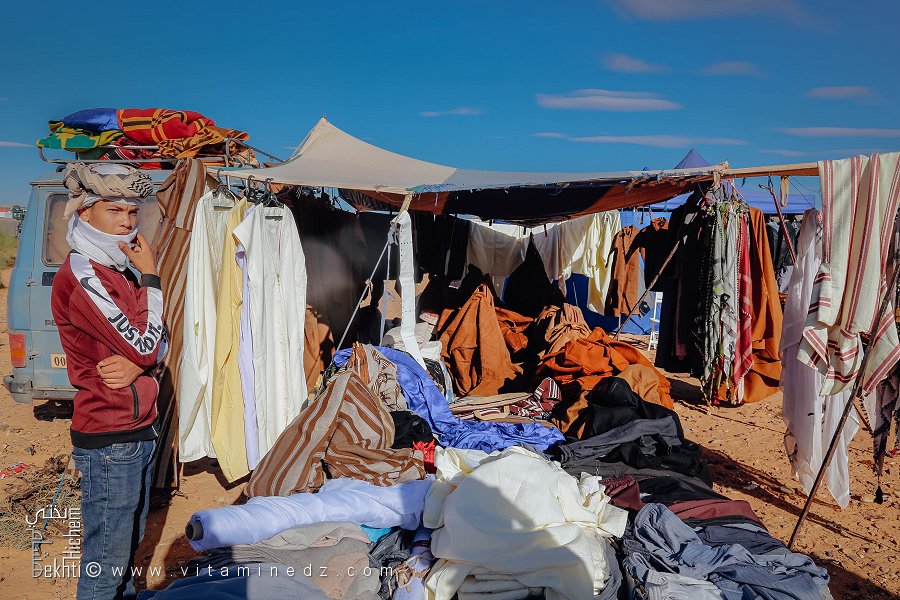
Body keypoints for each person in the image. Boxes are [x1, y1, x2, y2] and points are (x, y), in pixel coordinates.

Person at [51, 163, 165, 600]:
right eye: (114, 210)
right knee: (107, 561)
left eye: (132, 212)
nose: (126, 221)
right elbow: (147, 345)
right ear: (84, 212)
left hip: (139, 428)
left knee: (128, 549)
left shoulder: (118, 268)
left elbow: (159, 341)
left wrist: (141, 363)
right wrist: (152, 278)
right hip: (110, 436)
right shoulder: (85, 274)